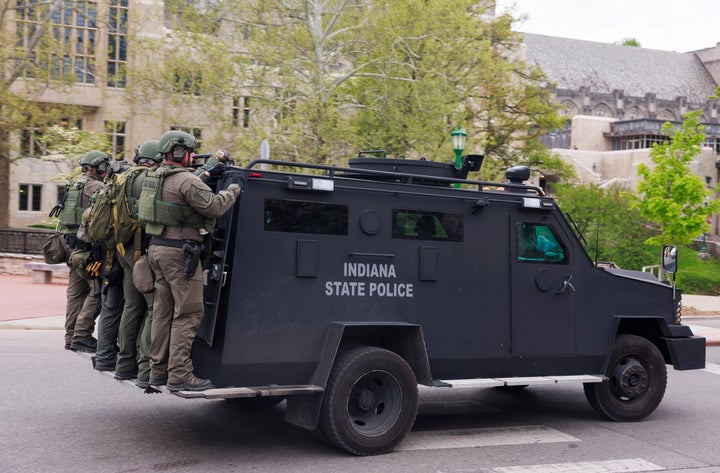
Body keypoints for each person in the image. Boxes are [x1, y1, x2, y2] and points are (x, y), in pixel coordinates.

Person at [138, 130, 242, 392]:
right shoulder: (185, 180)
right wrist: (234, 188)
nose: (193, 155)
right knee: (189, 312)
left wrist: (210, 168)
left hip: (157, 251)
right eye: (190, 151)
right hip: (179, 255)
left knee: (163, 313)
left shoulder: (155, 176)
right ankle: (180, 376)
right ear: (178, 152)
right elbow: (215, 207)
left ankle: (157, 371)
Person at [61, 151, 109, 352]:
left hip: (70, 246)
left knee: (75, 292)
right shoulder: (97, 187)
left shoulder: (74, 185)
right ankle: (82, 336)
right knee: (96, 292)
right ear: (98, 167)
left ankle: (70, 336)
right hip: (86, 248)